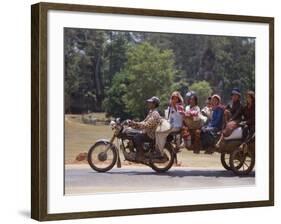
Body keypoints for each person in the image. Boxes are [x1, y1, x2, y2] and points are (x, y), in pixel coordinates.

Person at [129, 96, 161, 162]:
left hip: (151, 134)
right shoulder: (151, 112)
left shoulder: (155, 114)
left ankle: (141, 155)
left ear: (154, 104)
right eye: (148, 102)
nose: (148, 103)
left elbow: (147, 125)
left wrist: (136, 124)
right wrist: (134, 124)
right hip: (147, 132)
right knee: (131, 133)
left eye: (150, 102)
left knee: (137, 137)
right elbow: (144, 121)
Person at [155, 91, 185, 156]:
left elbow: (182, 115)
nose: (174, 100)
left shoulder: (180, 106)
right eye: (172, 98)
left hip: (176, 126)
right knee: (157, 131)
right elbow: (168, 118)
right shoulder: (170, 108)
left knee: (160, 133)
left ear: (178, 99)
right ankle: (158, 149)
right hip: (171, 125)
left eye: (175, 98)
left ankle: (160, 152)